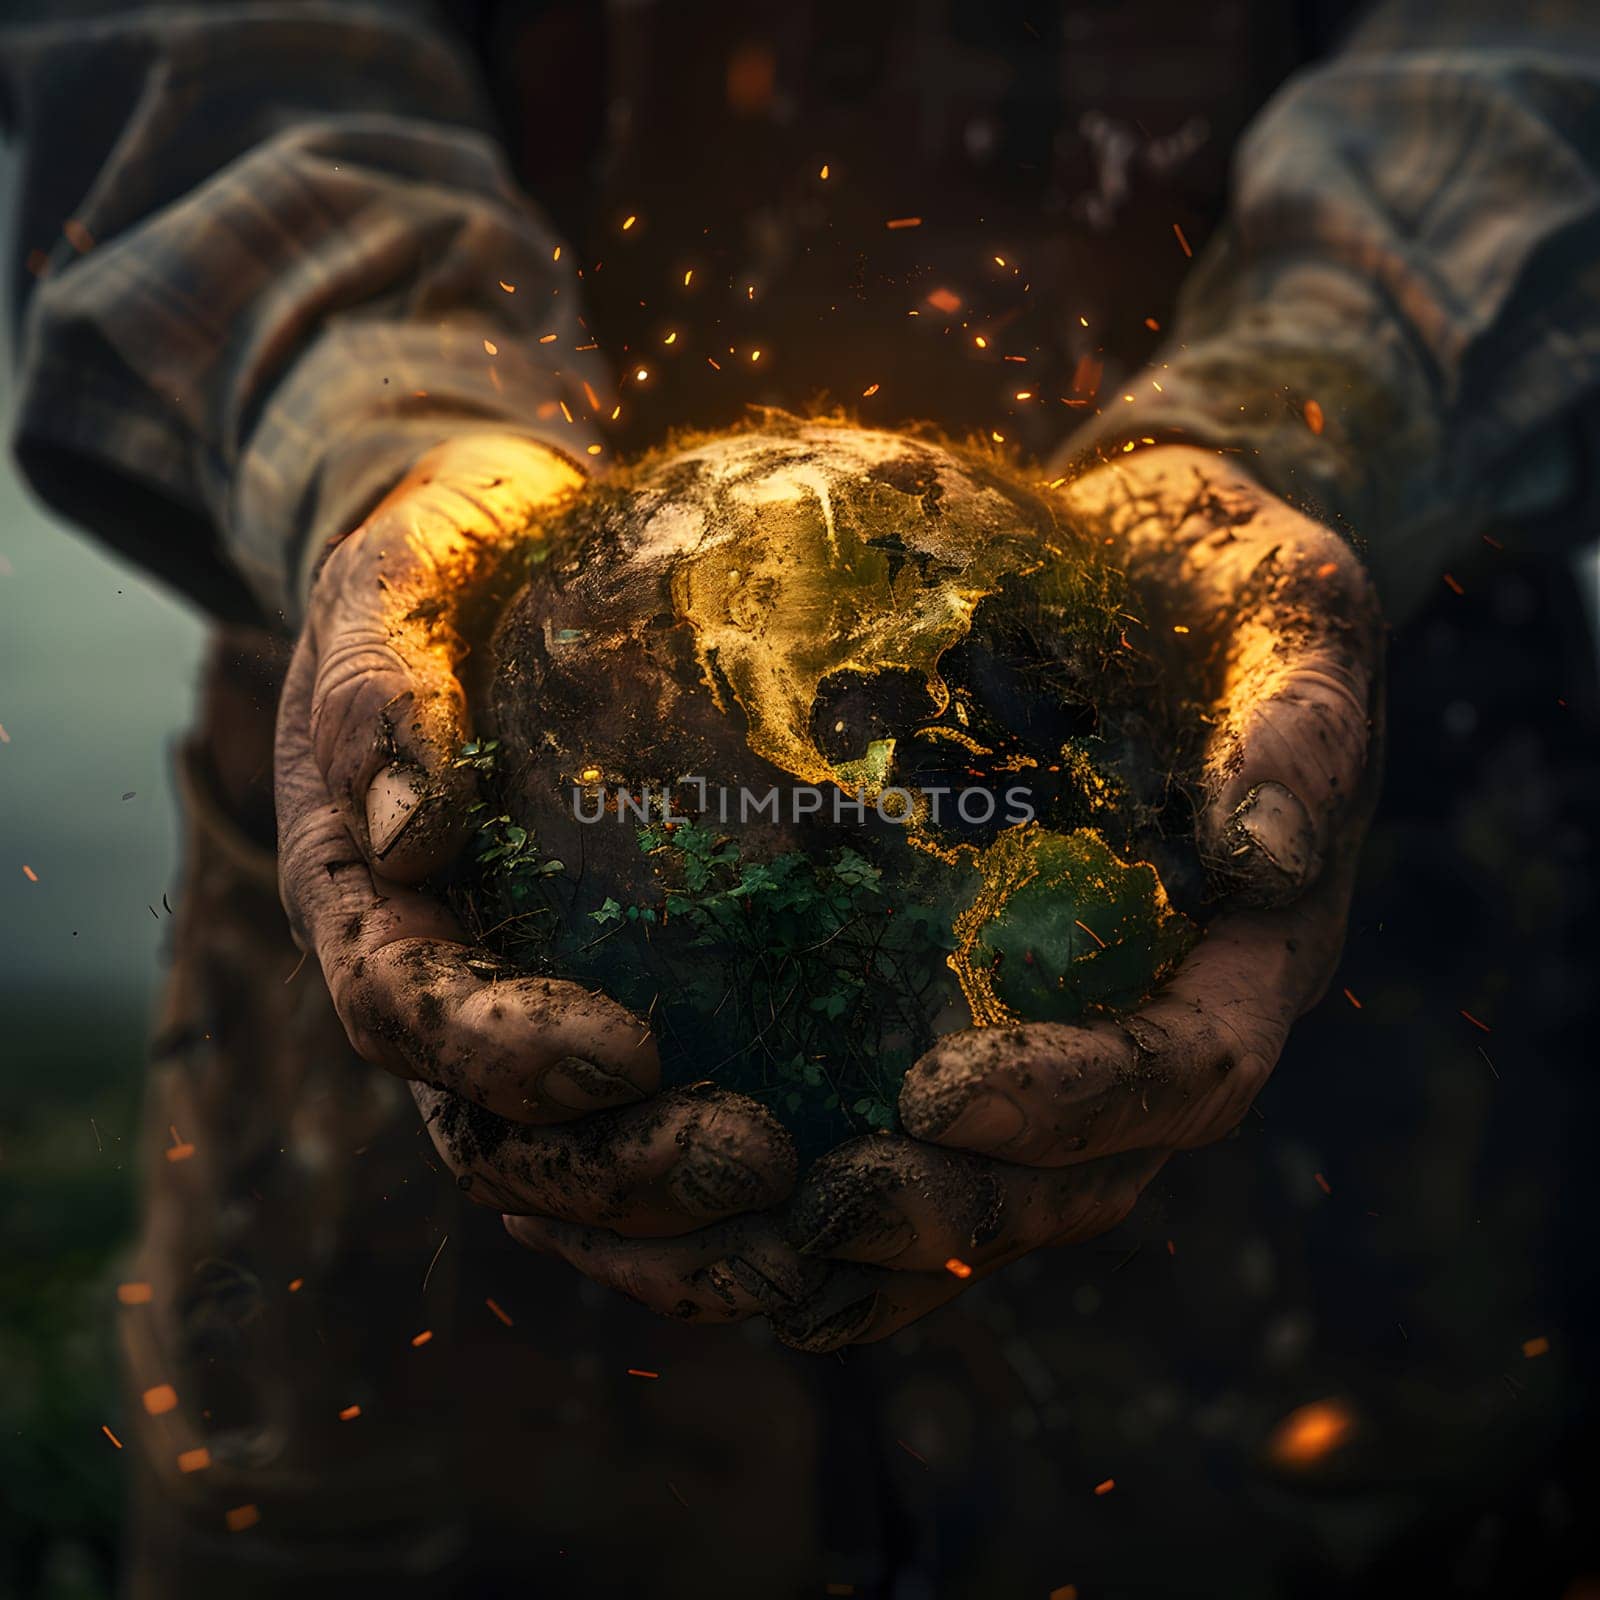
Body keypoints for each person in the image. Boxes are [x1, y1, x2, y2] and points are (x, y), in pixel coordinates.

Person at [3, 1, 1596, 1593]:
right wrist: (390, 425)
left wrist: (1309, 413)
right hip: (438, 839)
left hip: (1348, 886)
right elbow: (201, 47)